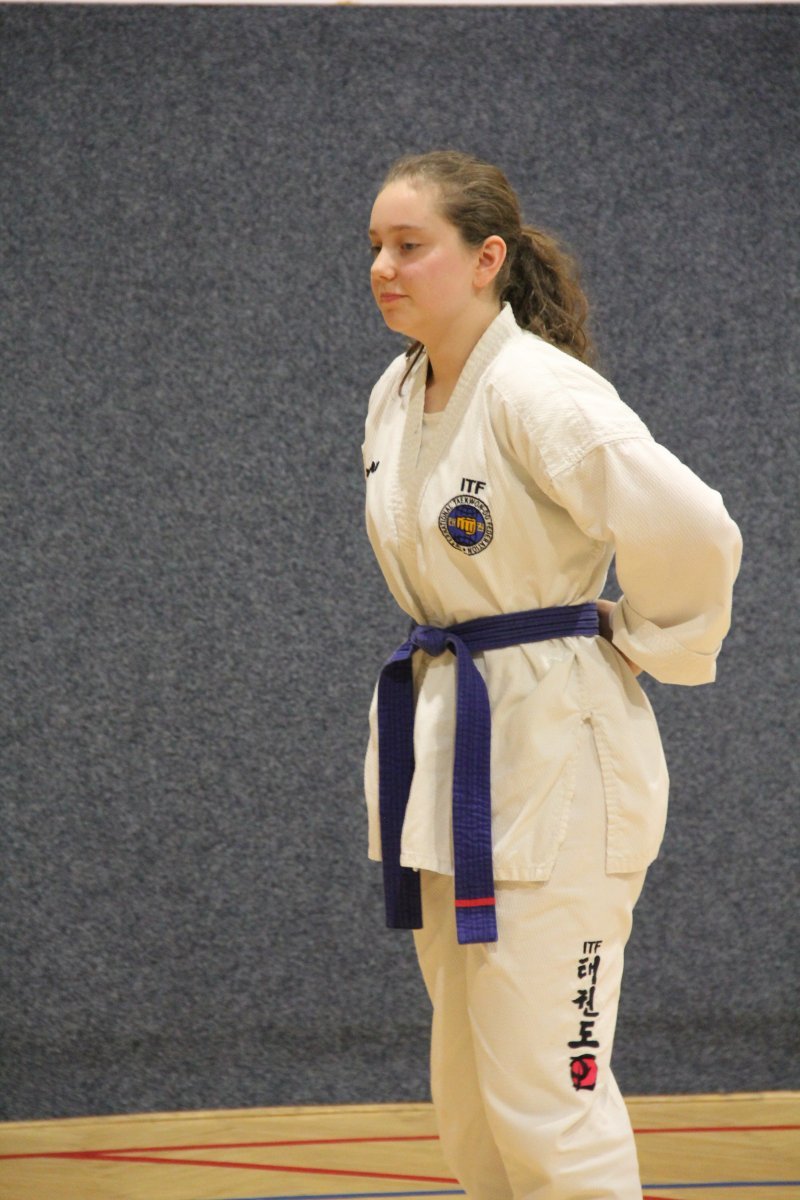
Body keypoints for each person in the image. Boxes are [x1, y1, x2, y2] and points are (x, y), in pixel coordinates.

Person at [361, 150, 741, 1200]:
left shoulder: (540, 391)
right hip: (452, 743)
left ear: (485, 258)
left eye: (410, 245)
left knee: (549, 1097)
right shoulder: (396, 392)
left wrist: (645, 638)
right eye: (376, 247)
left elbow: (694, 528)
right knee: (471, 1095)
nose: (384, 268)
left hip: (557, 758)